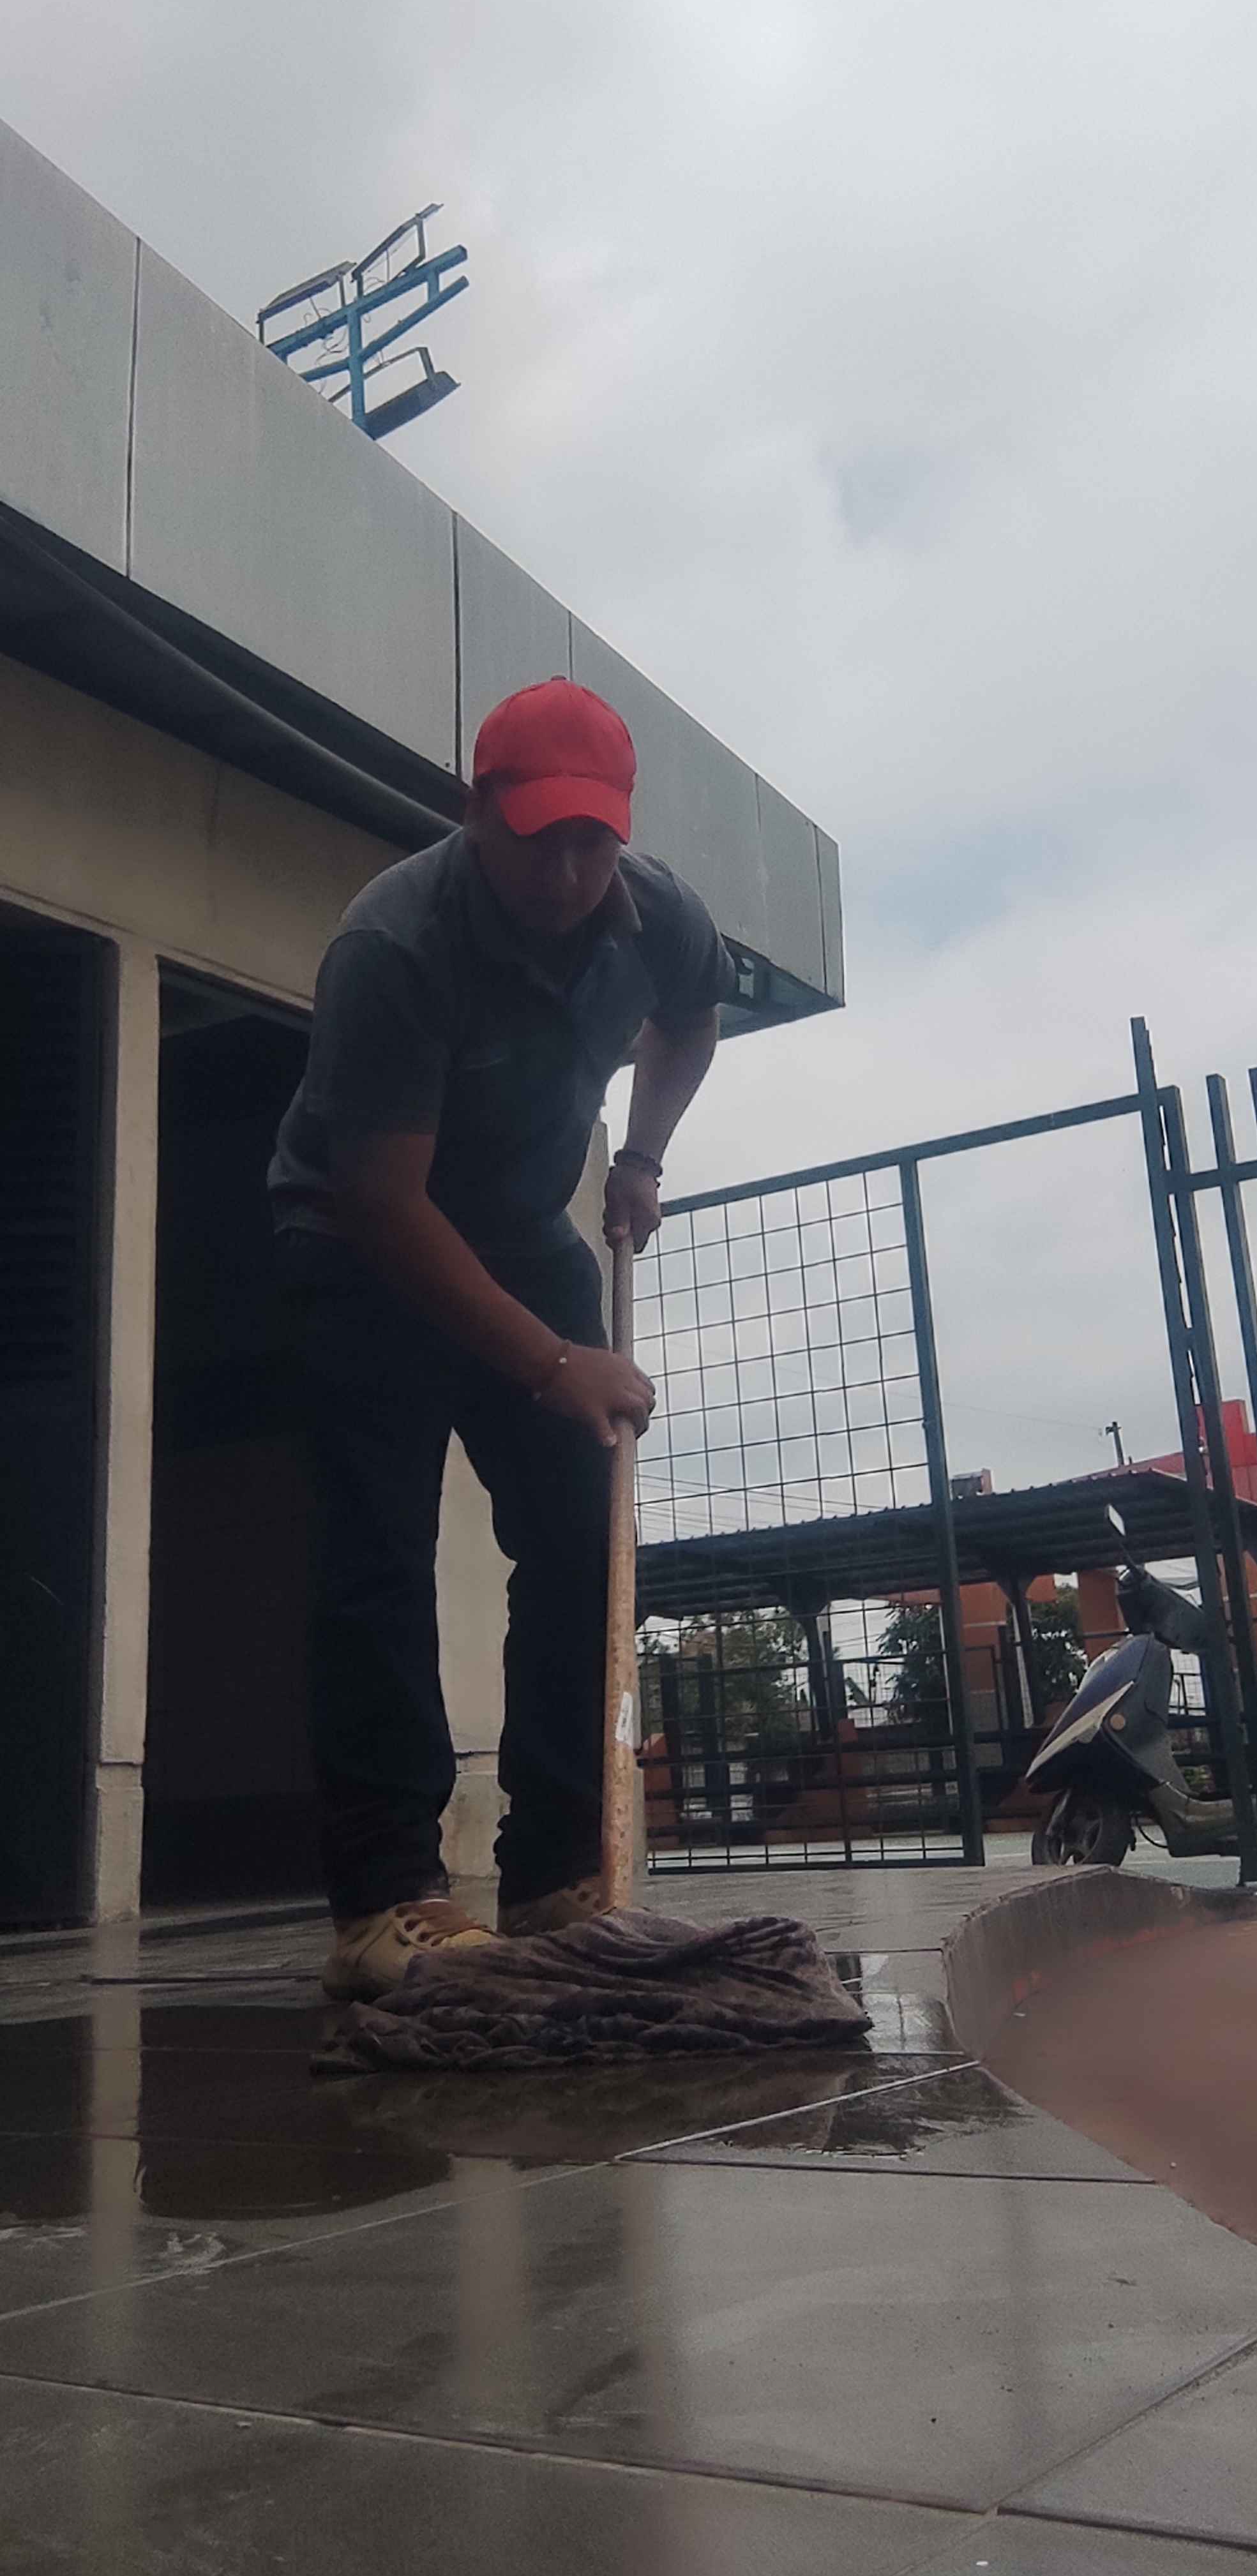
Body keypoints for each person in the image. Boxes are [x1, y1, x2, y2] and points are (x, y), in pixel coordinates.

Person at [269, 677, 735, 1999]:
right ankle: (384, 1900)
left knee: (583, 1533)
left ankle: (557, 1872)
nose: (570, 874)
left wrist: (641, 1155)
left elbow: (692, 1016)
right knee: (379, 1549)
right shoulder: (395, 945)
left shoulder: (658, 913)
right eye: (541, 839)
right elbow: (383, 1201)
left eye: (594, 841)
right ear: (479, 811)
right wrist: (549, 1361)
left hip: (527, 1231)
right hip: (358, 1242)